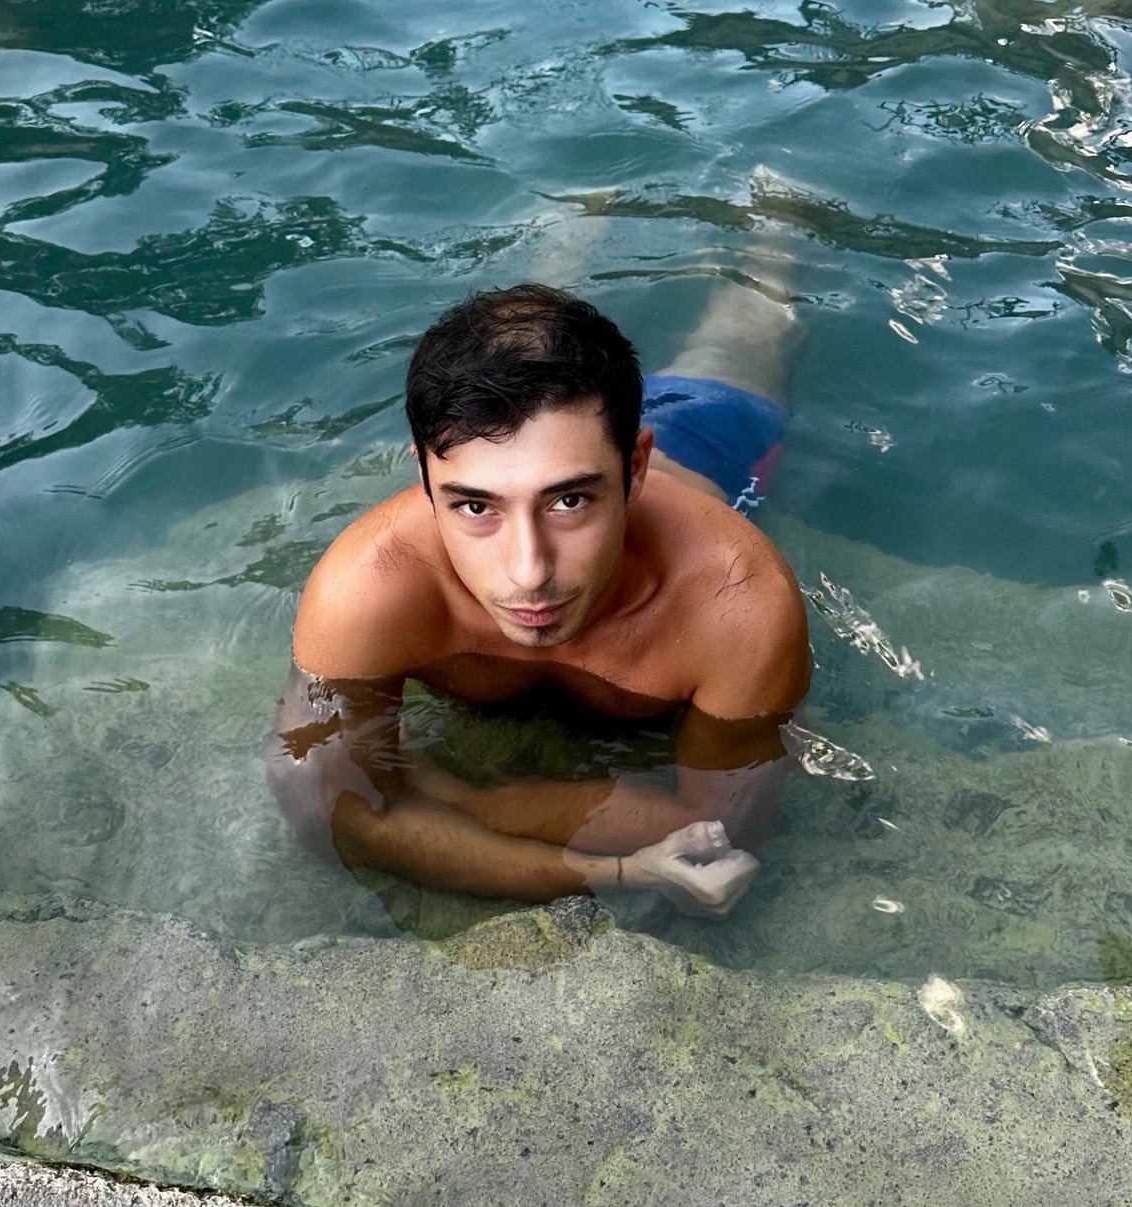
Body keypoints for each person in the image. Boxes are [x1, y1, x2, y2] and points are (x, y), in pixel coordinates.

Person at [269, 270, 809, 917]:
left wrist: (468, 801)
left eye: (570, 499)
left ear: (634, 468)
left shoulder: (734, 602)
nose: (529, 571)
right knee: (520, 337)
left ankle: (773, 231)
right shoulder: (368, 585)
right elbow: (333, 817)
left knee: (739, 340)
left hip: (710, 439)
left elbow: (722, 838)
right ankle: (572, 227)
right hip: (586, 423)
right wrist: (611, 870)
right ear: (422, 474)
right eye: (476, 505)